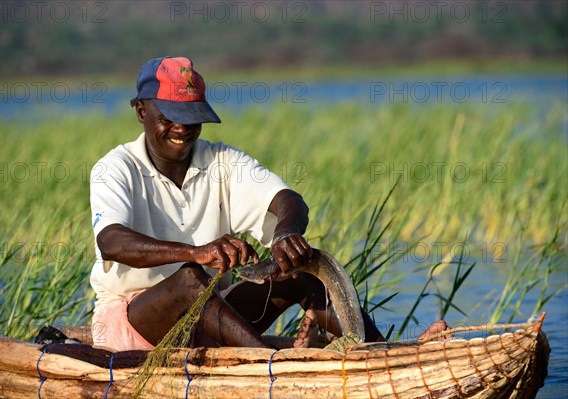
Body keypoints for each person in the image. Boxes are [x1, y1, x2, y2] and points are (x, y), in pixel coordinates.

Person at [89, 56, 445, 351]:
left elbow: (288, 200)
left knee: (303, 274)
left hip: (208, 316)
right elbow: (112, 241)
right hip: (133, 327)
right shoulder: (116, 168)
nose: (182, 127)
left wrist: (286, 235)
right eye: (170, 116)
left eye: (191, 116)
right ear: (141, 111)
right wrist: (195, 252)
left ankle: (383, 352)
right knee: (189, 280)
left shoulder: (221, 161)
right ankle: (269, 367)